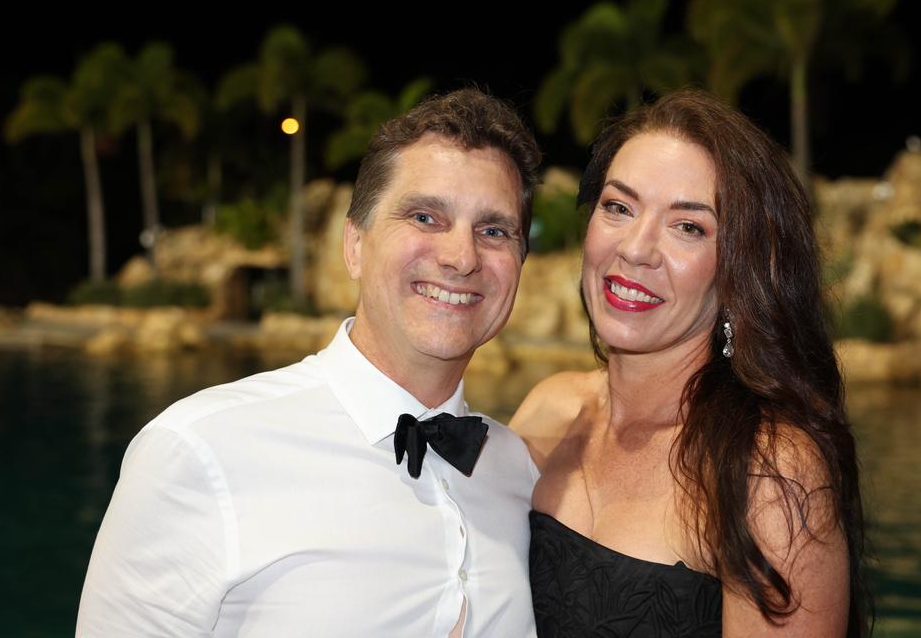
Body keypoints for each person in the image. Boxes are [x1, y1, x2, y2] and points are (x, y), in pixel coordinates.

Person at [77, 88, 544, 637]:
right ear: (353, 244)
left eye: (494, 231)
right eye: (424, 216)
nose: (462, 257)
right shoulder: (198, 452)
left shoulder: (517, 471)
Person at [512, 89, 868, 636]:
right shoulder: (550, 409)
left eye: (688, 227)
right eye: (618, 207)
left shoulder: (770, 473)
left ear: (740, 271)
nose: (635, 248)